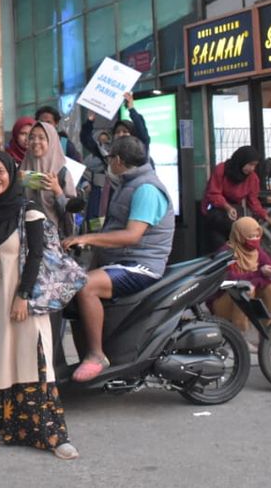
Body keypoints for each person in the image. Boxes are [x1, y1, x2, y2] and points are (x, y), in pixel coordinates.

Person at [0, 152, 77, 460]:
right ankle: (9, 428)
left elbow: (37, 256)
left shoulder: (29, 211)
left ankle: (55, 436)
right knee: (2, 360)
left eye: (0, 171)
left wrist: (23, 296)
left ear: (12, 174)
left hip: (21, 297)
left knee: (33, 359)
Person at [63, 136, 175, 382]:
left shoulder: (146, 189)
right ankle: (86, 355)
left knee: (86, 286)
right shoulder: (127, 184)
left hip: (141, 265)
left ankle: (96, 355)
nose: (108, 163)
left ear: (119, 161)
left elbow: (132, 235)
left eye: (110, 158)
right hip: (121, 261)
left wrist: (90, 239)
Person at [209, 217, 271, 332]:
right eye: (251, 236)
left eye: (257, 236)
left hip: (250, 297)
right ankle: (241, 334)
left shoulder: (257, 251)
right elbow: (228, 280)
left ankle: (268, 332)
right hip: (224, 299)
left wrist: (270, 273)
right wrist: (259, 274)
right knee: (245, 289)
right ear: (239, 235)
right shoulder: (226, 253)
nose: (255, 240)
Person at [201, 146, 269, 251]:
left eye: (255, 165)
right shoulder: (222, 170)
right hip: (216, 212)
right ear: (241, 160)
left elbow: (253, 201)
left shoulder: (252, 178)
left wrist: (266, 216)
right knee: (219, 244)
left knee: (238, 238)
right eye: (250, 164)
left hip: (235, 212)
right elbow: (213, 193)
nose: (252, 169)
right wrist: (227, 207)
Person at [21, 121, 78, 237]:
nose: (36, 142)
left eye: (42, 138)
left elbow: (72, 213)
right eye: (31, 138)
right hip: (25, 239)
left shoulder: (62, 173)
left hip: (54, 240)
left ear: (51, 142)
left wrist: (57, 191)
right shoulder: (21, 169)